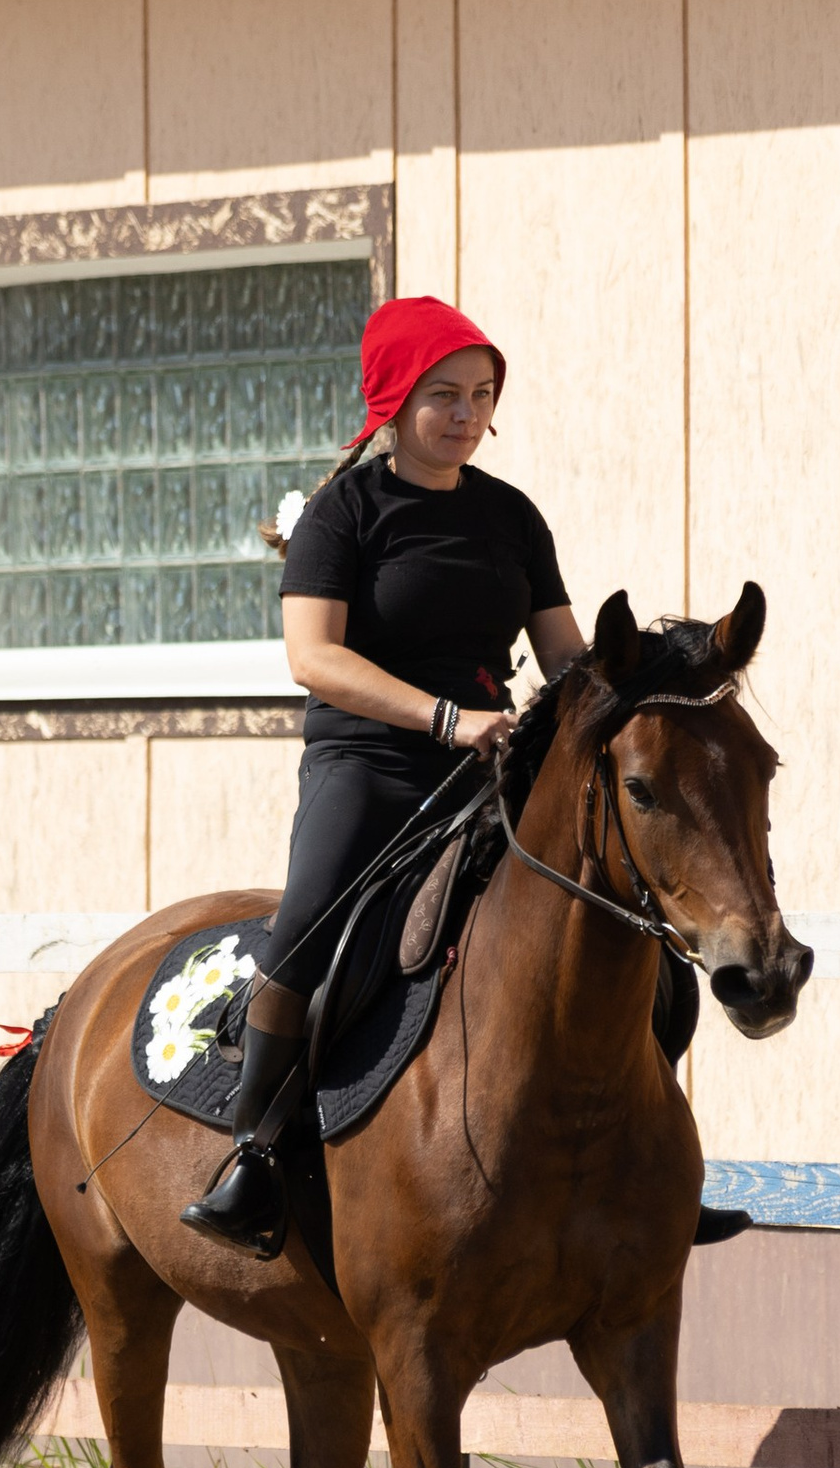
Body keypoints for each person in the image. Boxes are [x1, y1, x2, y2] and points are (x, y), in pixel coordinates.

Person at [182, 294, 587, 1256]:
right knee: (307, 930)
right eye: (442, 394)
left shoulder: (512, 516)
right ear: (393, 400)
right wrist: (446, 718)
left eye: (481, 396)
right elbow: (312, 659)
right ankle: (255, 1155)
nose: (464, 415)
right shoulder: (345, 512)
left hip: (491, 761)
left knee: (605, 901)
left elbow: (566, 655)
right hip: (368, 761)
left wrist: (621, 698)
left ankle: (637, 1159)